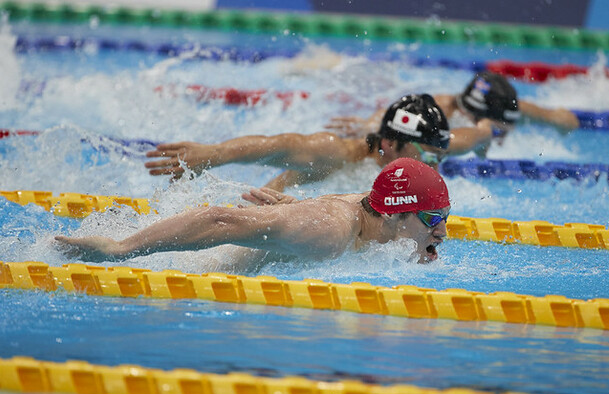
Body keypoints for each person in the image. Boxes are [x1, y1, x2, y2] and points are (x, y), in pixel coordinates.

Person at [55, 158, 451, 266]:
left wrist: (299, 211)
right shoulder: (329, 232)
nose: (443, 233)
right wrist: (120, 249)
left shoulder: (364, 211)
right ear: (398, 213)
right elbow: (219, 219)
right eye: (433, 220)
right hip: (193, 268)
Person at [144, 94, 451, 192]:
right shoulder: (339, 153)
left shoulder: (394, 171)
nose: (434, 166)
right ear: (390, 142)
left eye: (440, 156)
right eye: (428, 154)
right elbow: (282, 144)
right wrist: (215, 153)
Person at [327, 71, 580, 156]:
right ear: (472, 116)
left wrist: (560, 123)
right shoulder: (440, 110)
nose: (503, 133)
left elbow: (568, 120)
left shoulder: (510, 109)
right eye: (497, 128)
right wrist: (369, 126)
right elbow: (389, 117)